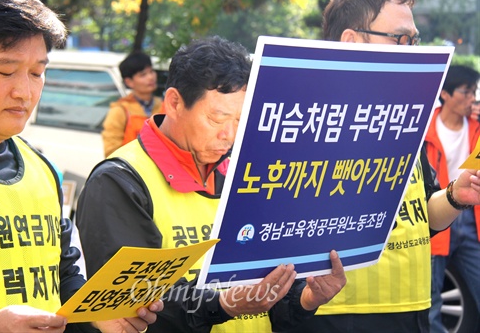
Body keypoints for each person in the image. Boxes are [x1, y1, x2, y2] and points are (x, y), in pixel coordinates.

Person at [0, 0, 162, 332]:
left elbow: (63, 275)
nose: (24, 91)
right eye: (5, 70)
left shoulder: (42, 170)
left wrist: (97, 315)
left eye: (38, 72)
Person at [76, 36, 347, 333]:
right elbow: (133, 301)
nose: (229, 136)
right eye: (217, 118)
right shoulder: (120, 181)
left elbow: (271, 289)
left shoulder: (246, 174)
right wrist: (222, 305)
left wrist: (305, 298)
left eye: (241, 120)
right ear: (175, 102)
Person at [294, 0, 480, 333]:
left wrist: (456, 197)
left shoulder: (404, 117)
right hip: (333, 315)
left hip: (411, 308)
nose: (411, 50)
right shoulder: (302, 122)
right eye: (401, 38)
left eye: (415, 39)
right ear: (351, 40)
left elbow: (423, 214)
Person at [424, 65, 480, 332]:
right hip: (436, 213)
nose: (472, 99)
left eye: (474, 93)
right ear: (445, 94)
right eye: (466, 92)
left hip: (472, 218)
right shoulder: (423, 128)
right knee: (432, 300)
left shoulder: (477, 127)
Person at [101, 51, 163, 157]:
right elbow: (111, 152)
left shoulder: (165, 106)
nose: (150, 77)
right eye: (143, 75)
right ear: (129, 82)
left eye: (151, 71)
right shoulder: (120, 111)